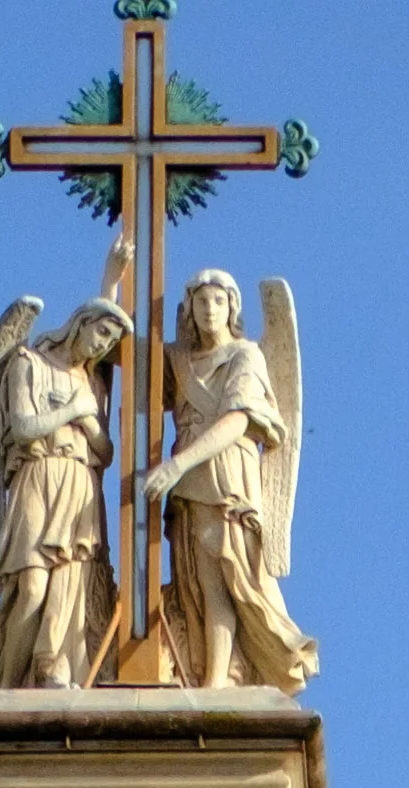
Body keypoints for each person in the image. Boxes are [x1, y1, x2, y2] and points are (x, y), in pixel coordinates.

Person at [152, 265, 315, 691]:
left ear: (232, 308)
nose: (209, 309)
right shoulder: (180, 360)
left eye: (218, 301)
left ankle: (222, 676)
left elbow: (236, 420)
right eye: (201, 301)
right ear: (188, 309)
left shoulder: (246, 355)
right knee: (201, 583)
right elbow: (120, 352)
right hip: (188, 476)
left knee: (233, 573)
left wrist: (177, 466)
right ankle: (217, 673)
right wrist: (112, 278)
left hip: (226, 472)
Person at [0, 289, 134, 691]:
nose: (103, 344)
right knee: (30, 587)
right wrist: (71, 412)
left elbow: (106, 450)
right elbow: (22, 428)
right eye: (100, 333)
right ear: (80, 324)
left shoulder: (90, 381)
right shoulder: (28, 363)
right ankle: (8, 685)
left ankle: (50, 665)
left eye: (111, 341)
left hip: (78, 483)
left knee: (68, 586)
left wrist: (89, 422)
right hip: (37, 474)